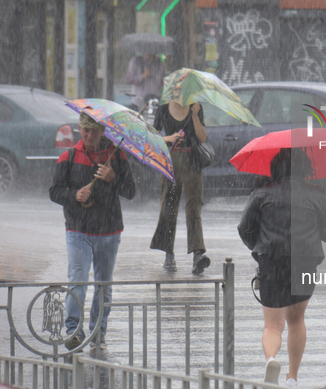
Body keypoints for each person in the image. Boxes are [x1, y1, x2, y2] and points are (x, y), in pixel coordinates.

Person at [237, 149, 326, 387]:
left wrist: (260, 247)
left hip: (272, 261)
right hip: (304, 261)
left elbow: (245, 229)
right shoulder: (318, 196)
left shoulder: (261, 194)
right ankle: (292, 377)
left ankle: (271, 359)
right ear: (305, 169)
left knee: (273, 325)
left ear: (275, 168)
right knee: (296, 320)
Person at [49, 112, 136, 350]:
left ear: (103, 132)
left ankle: (99, 332)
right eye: (85, 130)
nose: (89, 136)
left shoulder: (117, 156)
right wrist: (74, 195)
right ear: (79, 129)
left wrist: (113, 178)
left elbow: (130, 191)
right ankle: (73, 331)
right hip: (78, 230)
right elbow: (54, 191)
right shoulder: (69, 156)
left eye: (94, 131)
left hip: (109, 231)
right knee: (78, 280)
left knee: (103, 284)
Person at [150, 101, 211, 275]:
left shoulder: (196, 108)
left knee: (194, 207)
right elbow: (152, 136)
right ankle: (169, 254)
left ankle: (198, 254)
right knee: (168, 207)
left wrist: (194, 116)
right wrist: (168, 138)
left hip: (192, 160)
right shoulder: (163, 109)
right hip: (170, 161)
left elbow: (202, 137)